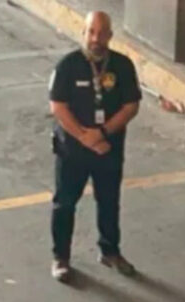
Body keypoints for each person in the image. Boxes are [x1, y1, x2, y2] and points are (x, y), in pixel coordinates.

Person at [48, 11, 142, 282]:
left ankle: (110, 251)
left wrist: (101, 132)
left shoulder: (123, 66)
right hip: (73, 151)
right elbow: (58, 106)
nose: (96, 39)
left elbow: (131, 106)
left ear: (110, 36)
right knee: (64, 203)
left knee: (109, 201)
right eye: (91, 32)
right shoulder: (68, 66)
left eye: (102, 33)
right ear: (84, 33)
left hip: (108, 149)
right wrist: (83, 136)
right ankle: (61, 258)